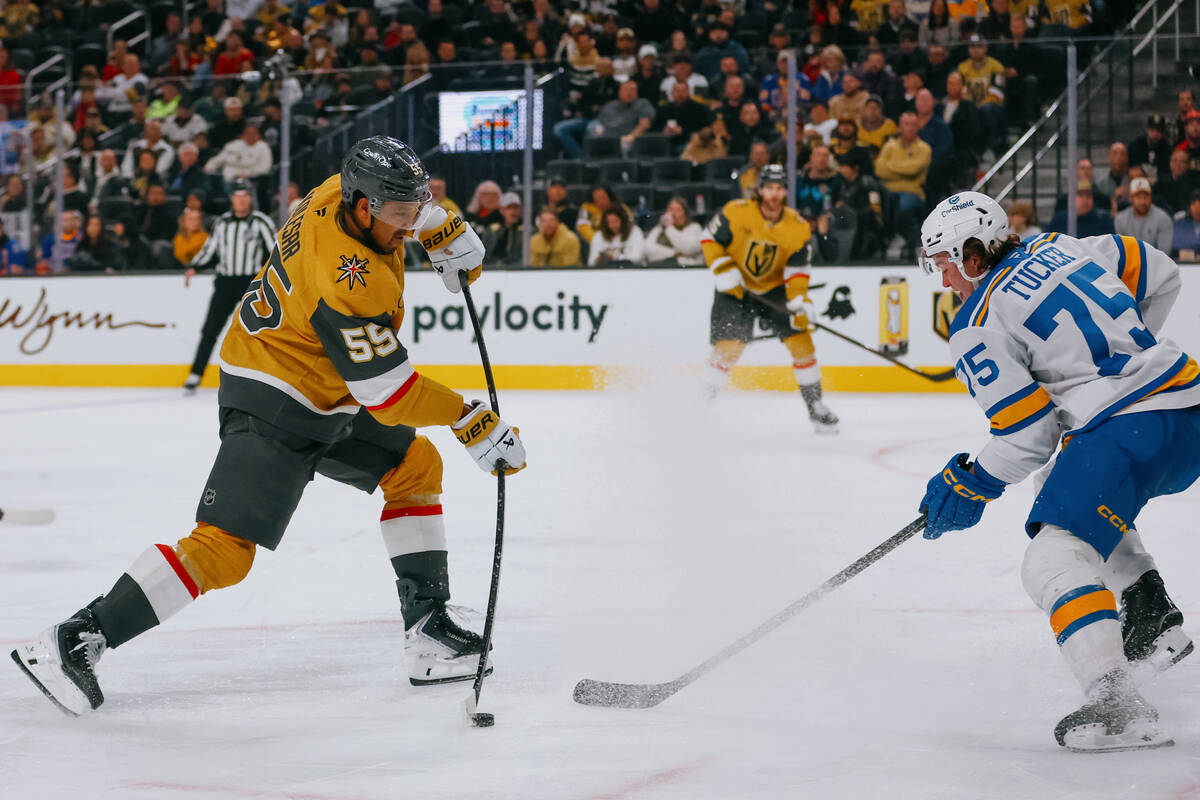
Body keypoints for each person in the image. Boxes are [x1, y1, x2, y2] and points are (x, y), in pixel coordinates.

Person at [11, 136, 526, 716]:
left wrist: (442, 224)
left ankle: (428, 628)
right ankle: (79, 637)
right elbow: (388, 392)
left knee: (414, 466)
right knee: (224, 552)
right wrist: (468, 419)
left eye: (412, 211)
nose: (407, 227)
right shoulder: (349, 280)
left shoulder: (338, 189)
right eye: (400, 217)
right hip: (275, 398)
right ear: (363, 209)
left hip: (314, 387)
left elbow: (408, 208)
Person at [915, 190, 1200, 752]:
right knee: (1063, 489)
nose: (946, 281)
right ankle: (1150, 612)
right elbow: (1162, 274)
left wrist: (970, 480)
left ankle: (1114, 700)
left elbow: (1028, 435)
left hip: (1129, 432)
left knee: (1051, 558)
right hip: (1188, 403)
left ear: (972, 255)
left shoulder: (976, 321)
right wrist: (1115, 358)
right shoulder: (1064, 246)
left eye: (945, 266)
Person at [699, 164, 839, 431]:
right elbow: (709, 238)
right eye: (769, 188)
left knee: (802, 342)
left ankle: (816, 407)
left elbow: (798, 269)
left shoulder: (797, 226)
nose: (774, 194)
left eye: (779, 188)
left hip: (774, 291)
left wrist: (798, 300)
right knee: (728, 348)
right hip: (734, 288)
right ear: (760, 189)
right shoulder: (736, 212)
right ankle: (698, 406)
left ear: (785, 191)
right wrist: (721, 268)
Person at [181, 183, 279, 394]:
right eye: (237, 196)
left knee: (258, 330)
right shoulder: (222, 222)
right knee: (210, 329)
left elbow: (274, 249)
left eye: (245, 196)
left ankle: (266, 377)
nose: (241, 200)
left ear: (250, 199)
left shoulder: (260, 221)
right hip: (225, 282)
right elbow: (209, 250)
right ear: (232, 199)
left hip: (249, 282)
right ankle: (195, 374)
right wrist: (194, 267)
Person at [1115, 178, 1174, 253]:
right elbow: (1121, 251)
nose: (1142, 201)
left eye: (1146, 196)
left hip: (1155, 263)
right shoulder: (1121, 219)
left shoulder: (1163, 219)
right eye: (1138, 197)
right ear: (1131, 198)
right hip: (1129, 263)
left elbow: (1164, 253)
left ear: (1151, 197)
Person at [643, 196, 704, 265]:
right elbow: (647, 249)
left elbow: (689, 249)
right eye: (670, 209)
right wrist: (674, 253)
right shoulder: (659, 229)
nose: (673, 213)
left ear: (685, 214)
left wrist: (669, 228)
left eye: (678, 210)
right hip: (662, 269)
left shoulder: (694, 228)